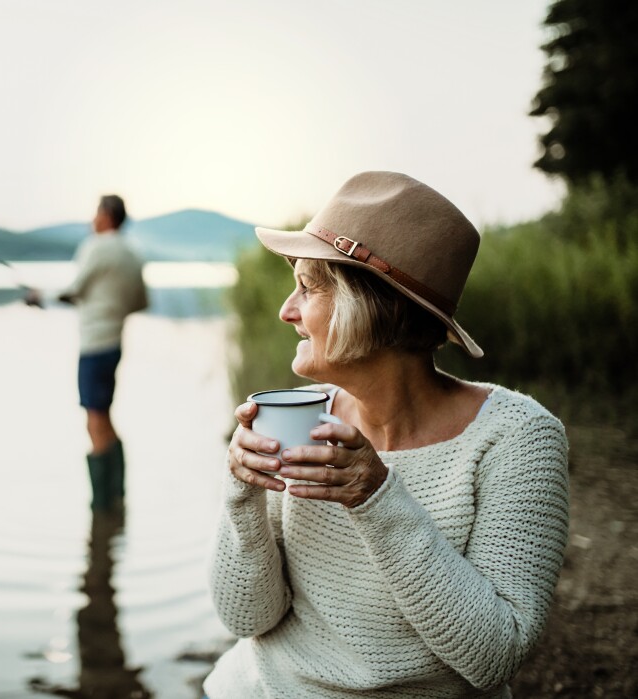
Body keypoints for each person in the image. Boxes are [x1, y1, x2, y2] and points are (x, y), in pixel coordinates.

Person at [203, 172, 570, 698]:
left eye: (307, 287)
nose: (286, 310)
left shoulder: (518, 440)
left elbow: (496, 656)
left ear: (378, 307)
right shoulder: (298, 421)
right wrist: (241, 493)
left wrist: (376, 498)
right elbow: (246, 617)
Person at [26, 194, 148, 511]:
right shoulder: (133, 254)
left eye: (95, 212)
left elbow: (75, 289)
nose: (92, 219)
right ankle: (117, 495)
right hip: (115, 344)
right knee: (104, 414)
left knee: (94, 419)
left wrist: (40, 297)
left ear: (107, 215)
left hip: (94, 345)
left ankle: (102, 505)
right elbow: (139, 302)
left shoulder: (95, 246)